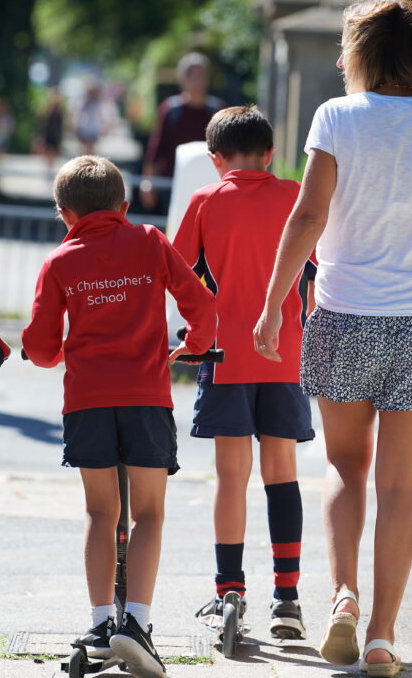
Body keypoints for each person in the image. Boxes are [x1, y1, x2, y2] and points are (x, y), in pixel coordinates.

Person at [253, 0, 412, 676]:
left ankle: (344, 597)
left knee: (343, 467)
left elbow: (307, 215)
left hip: (344, 314)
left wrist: (273, 305)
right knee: (397, 486)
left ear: (358, 56)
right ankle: (384, 637)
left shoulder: (337, 117)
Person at [22, 155, 216, 678]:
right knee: (148, 513)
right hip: (147, 397)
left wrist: (60, 349)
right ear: (124, 207)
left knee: (99, 513)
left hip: (86, 400)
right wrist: (194, 345)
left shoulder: (59, 263)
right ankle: (138, 624)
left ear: (65, 214)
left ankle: (101, 620)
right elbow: (202, 306)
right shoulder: (150, 241)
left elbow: (40, 349)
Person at [173, 105, 316, 642]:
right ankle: (288, 598)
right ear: (272, 154)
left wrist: (190, 335)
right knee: (282, 473)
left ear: (216, 159)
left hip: (225, 356)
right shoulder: (294, 197)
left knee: (231, 477)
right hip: (286, 354)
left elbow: (180, 276)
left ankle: (229, 590)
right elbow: (322, 263)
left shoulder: (206, 202)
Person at [140, 53, 224, 213]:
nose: (198, 81)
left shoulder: (218, 110)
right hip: (173, 184)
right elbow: (156, 148)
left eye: (202, 75)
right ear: (183, 79)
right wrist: (147, 182)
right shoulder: (171, 110)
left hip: (208, 185)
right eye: (193, 76)